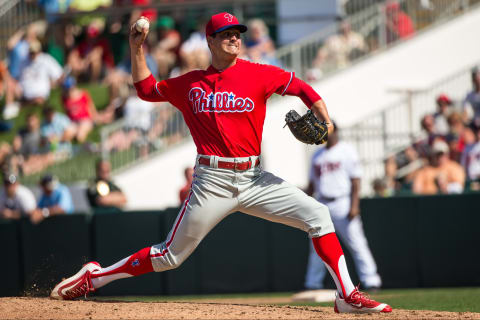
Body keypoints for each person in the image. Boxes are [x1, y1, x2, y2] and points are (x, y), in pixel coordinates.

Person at [50, 12, 391, 314]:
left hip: (255, 178)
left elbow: (302, 87)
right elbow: (147, 90)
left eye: (237, 33)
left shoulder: (259, 74)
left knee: (318, 214)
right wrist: (137, 48)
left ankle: (346, 294)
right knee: (169, 256)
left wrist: (323, 116)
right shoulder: (191, 83)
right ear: (210, 40)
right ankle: (94, 277)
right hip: (211, 180)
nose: (234, 37)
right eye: (226, 33)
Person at [303, 123, 382, 293]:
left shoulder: (347, 150)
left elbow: (356, 180)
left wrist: (354, 205)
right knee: (317, 246)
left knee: (357, 243)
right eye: (322, 129)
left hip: (342, 202)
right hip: (321, 202)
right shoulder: (317, 155)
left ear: (336, 130)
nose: (325, 132)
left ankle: (371, 279)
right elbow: (311, 185)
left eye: (328, 129)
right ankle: (313, 283)